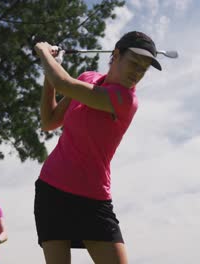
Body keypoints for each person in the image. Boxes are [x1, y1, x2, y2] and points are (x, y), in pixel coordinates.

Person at [33, 31, 162, 264]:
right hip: (51, 189)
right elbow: (49, 121)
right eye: (134, 63)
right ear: (116, 54)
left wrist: (44, 53)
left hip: (92, 199)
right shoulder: (87, 77)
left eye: (143, 69)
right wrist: (50, 71)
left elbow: (63, 82)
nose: (137, 72)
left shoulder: (125, 100)